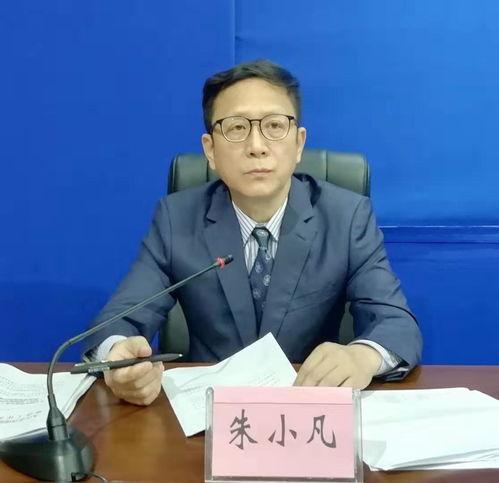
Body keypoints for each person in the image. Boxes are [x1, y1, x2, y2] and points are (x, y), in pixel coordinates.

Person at [83, 60, 422, 406]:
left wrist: (362, 356)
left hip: (308, 411)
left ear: (299, 143)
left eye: (274, 125)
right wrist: (118, 358)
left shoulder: (345, 217)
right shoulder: (177, 219)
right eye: (236, 128)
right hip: (208, 415)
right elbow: (115, 323)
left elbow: (396, 323)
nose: (257, 145)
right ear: (210, 149)